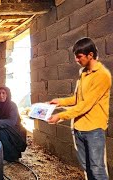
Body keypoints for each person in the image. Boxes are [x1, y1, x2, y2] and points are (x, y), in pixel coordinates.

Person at [47, 37, 111, 180]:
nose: (76, 60)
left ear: (90, 55)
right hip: (79, 129)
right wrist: (60, 102)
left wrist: (60, 116)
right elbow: (78, 99)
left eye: (79, 56)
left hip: (93, 130)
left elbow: (85, 105)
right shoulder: (84, 73)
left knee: (97, 170)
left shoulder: (102, 76)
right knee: (87, 169)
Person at [0, 86, 27, 162]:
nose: (1, 95)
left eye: (3, 93)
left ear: (8, 94)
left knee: (0, 132)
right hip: (3, 127)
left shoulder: (12, 105)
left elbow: (12, 121)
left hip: (14, 130)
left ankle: (11, 156)